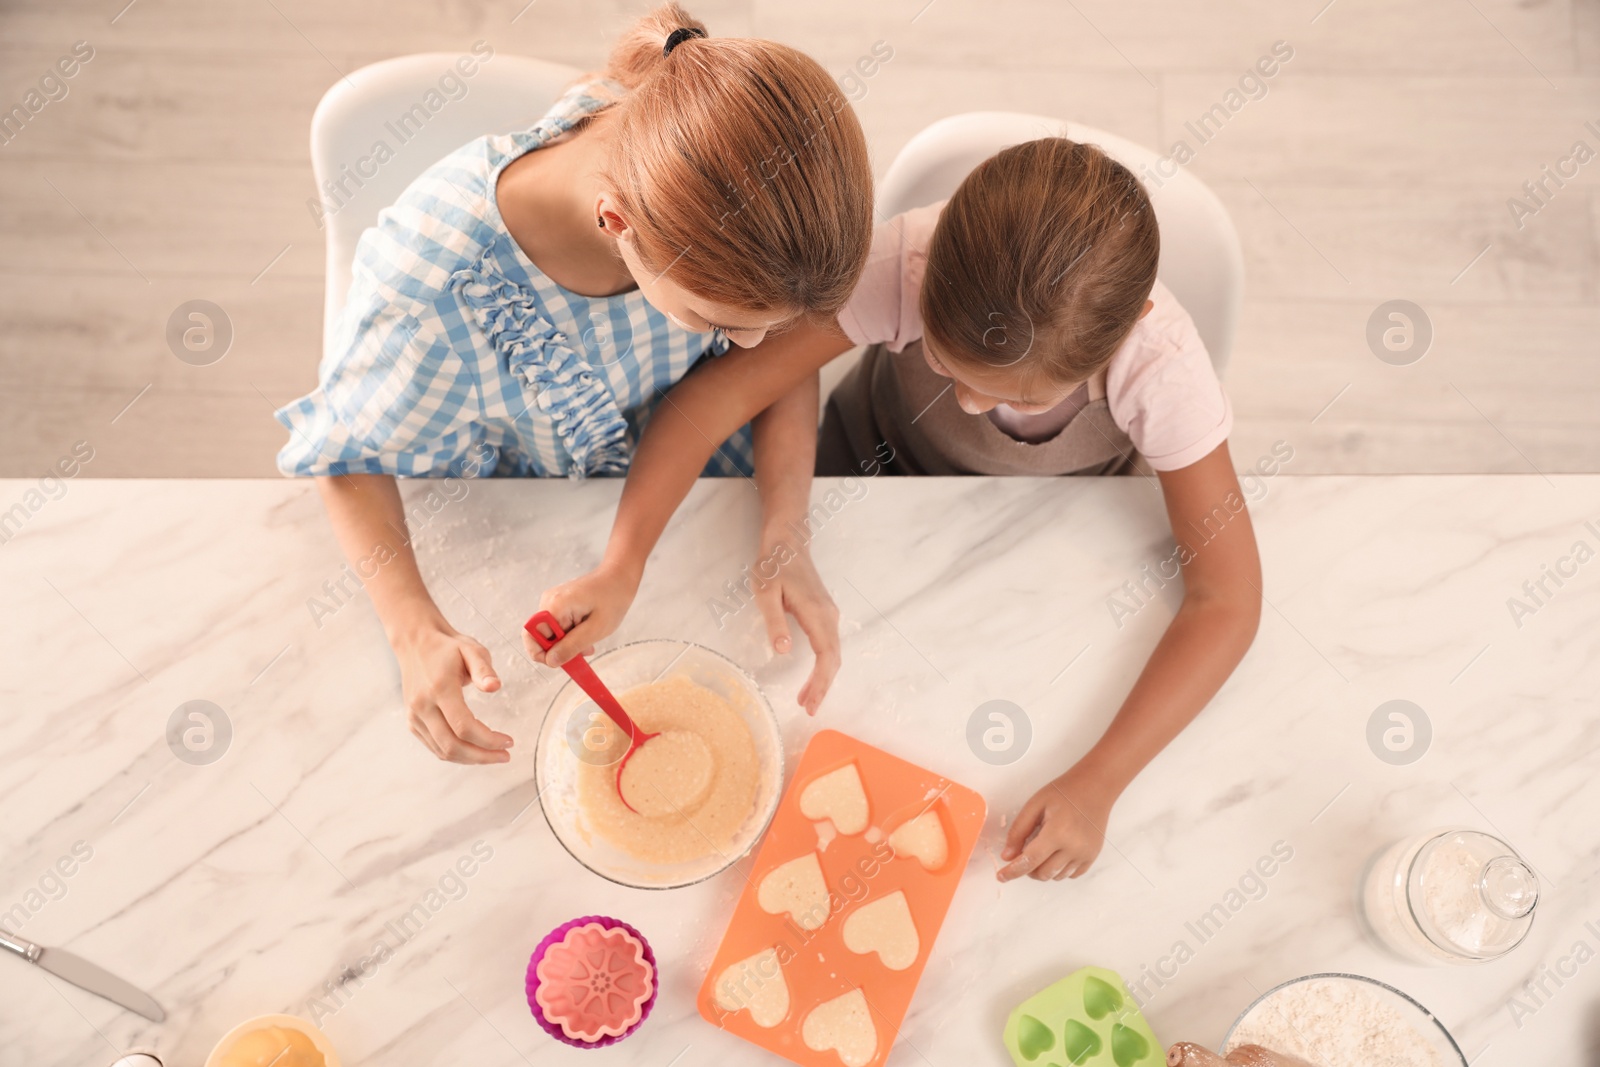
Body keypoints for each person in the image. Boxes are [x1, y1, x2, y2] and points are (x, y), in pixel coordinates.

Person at [537, 137, 1262, 883]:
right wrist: (625, 563)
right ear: (927, 266)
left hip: (1054, 521)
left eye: (1021, 397)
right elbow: (716, 397)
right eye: (948, 368)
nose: (975, 406)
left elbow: (1227, 598)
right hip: (868, 462)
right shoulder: (902, 264)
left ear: (1129, 327)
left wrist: (1101, 779)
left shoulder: (1162, 365)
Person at [275, 2, 873, 764]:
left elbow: (771, 361)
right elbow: (349, 455)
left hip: (685, 503)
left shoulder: (676, 162)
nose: (754, 348)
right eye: (718, 321)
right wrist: (414, 629)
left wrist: (784, 524)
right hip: (518, 520)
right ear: (618, 224)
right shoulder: (429, 286)